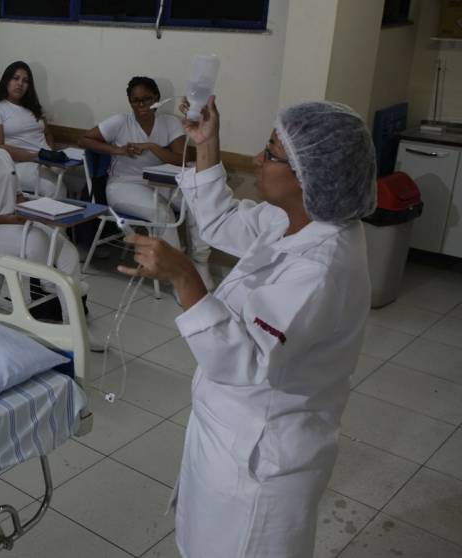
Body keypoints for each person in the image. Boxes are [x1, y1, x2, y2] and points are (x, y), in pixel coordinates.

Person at [120, 97, 375, 558]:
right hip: (228, 434)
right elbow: (220, 221)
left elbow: (241, 359)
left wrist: (184, 276)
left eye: (271, 153)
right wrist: (206, 145)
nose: (257, 159)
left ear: (308, 176)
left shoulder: (321, 268)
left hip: (261, 459)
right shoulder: (290, 222)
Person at [0, 98, 84, 313]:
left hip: (11, 224)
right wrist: (5, 219)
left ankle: (73, 321)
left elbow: (16, 195)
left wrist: (39, 211)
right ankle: (50, 287)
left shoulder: (2, 155)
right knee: (37, 240)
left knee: (67, 250)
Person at [79, 76, 212, 287]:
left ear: (157, 98)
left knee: (196, 201)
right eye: (135, 101)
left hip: (159, 183)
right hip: (123, 186)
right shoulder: (121, 121)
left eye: (146, 99)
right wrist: (116, 150)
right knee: (162, 212)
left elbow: (181, 159)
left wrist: (152, 147)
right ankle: (177, 277)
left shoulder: (169, 122)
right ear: (130, 101)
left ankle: (200, 262)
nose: (141, 105)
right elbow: (84, 139)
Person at [0, 61, 60, 196]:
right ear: (6, 81)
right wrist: (33, 157)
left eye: (25, 81)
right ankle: (44, 216)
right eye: (15, 78)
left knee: (79, 177)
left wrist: (50, 154)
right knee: (53, 187)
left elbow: (47, 134)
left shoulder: (33, 107)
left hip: (45, 160)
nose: (20, 84)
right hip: (19, 163)